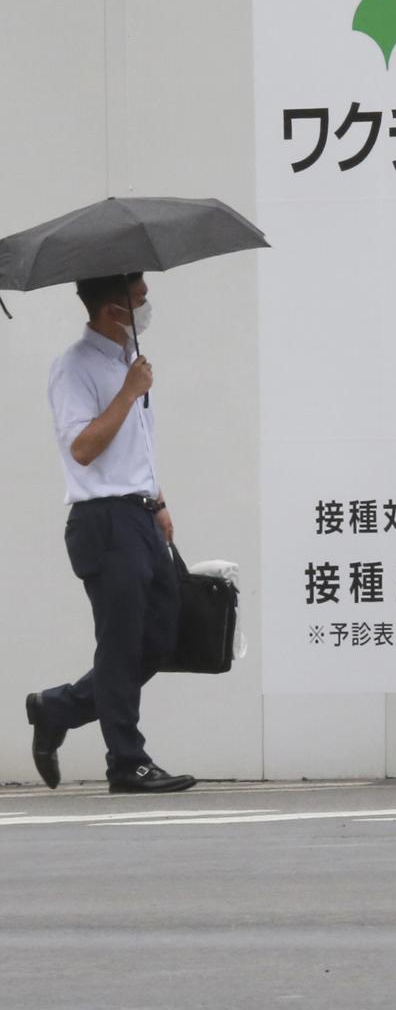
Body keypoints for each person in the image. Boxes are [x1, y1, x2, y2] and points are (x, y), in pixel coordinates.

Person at [26, 271, 190, 794]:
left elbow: (134, 447)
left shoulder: (127, 363)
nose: (147, 305)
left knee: (161, 639)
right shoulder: (75, 368)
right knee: (119, 647)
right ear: (112, 309)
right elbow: (83, 448)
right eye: (139, 298)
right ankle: (126, 761)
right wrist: (128, 392)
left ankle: (56, 709)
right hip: (103, 520)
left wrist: (158, 500)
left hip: (140, 516)